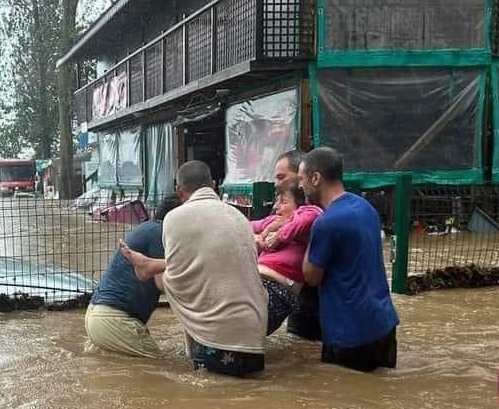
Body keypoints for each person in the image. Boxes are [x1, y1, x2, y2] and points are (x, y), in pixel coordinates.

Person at [120, 160, 268, 378]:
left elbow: (180, 278)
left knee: (210, 404)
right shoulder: (239, 217)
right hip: (254, 330)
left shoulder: (174, 219)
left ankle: (148, 266)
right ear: (214, 186)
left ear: (179, 192)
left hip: (216, 336)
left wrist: (152, 270)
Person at [299, 147, 399, 372]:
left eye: (302, 179)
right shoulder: (366, 209)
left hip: (349, 333)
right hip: (383, 324)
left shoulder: (326, 223)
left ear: (316, 178)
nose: (300, 186)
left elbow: (311, 277)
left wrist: (307, 237)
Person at [85, 196, 182, 358]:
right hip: (114, 320)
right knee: (166, 370)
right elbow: (161, 283)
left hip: (96, 315)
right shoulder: (161, 233)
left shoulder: (148, 228)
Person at [250, 177, 322, 335]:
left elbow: (309, 217)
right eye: (276, 202)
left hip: (276, 292)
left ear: (302, 205)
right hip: (256, 283)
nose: (276, 207)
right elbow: (245, 226)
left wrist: (279, 235)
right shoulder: (274, 220)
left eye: (283, 202)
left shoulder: (311, 215)